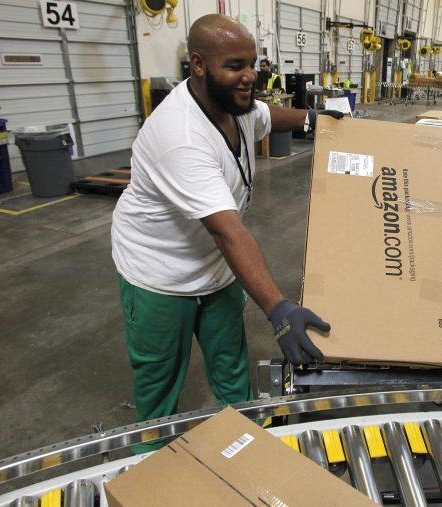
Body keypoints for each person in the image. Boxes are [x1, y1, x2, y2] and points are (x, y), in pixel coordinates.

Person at [111, 14, 342, 452]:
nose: (250, 76)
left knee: (232, 367)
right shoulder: (181, 136)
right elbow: (228, 232)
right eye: (235, 65)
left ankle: (243, 445)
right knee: (159, 384)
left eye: (253, 64)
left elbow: (266, 117)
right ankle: (148, 463)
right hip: (160, 274)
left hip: (214, 266)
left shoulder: (234, 105)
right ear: (198, 64)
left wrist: (311, 119)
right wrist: (278, 309)